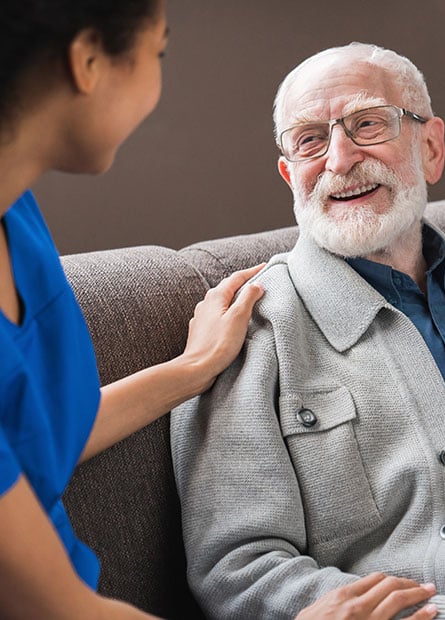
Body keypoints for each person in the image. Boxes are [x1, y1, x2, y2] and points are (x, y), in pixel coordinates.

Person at [171, 42, 445, 619]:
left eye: (367, 124)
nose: (339, 159)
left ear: (430, 147)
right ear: (290, 174)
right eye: (310, 139)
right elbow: (238, 569)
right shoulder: (251, 331)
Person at [0, 1, 270, 618]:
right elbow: (56, 608)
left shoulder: (17, 215)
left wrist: (193, 369)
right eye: (160, 53)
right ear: (89, 60)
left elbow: (34, 434)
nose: (159, 83)